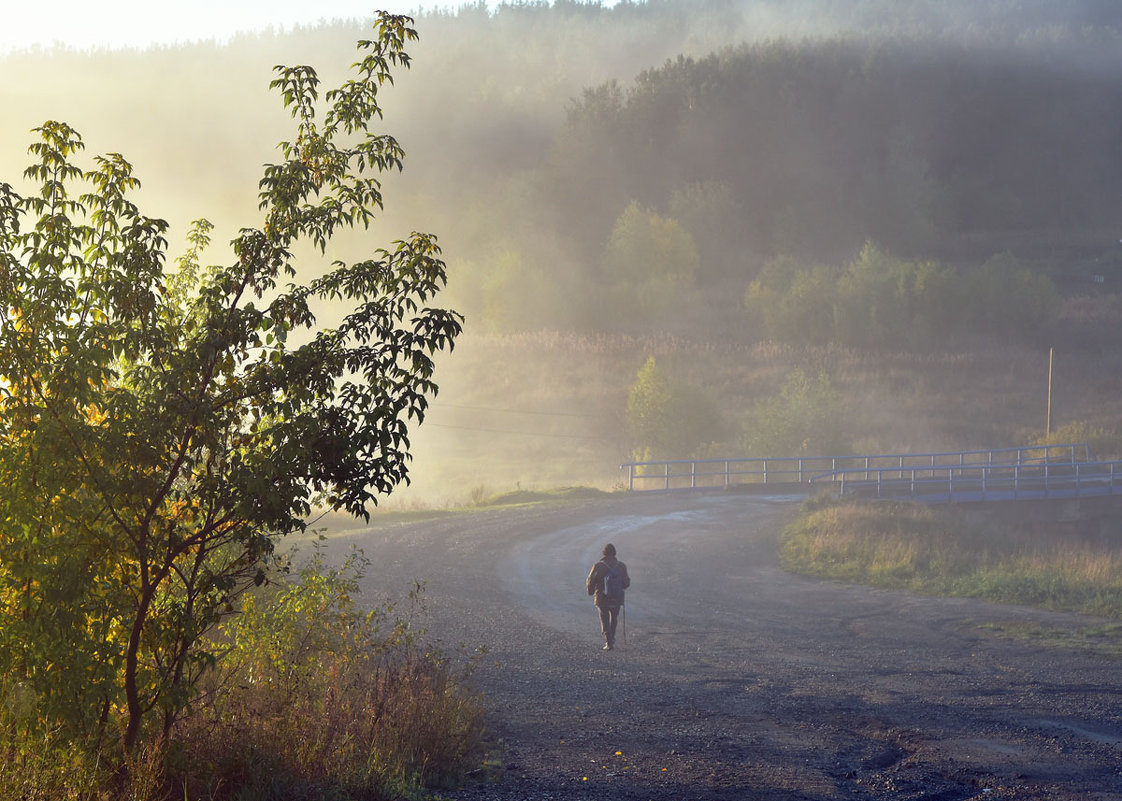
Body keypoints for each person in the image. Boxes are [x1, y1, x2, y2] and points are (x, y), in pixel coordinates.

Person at [586, 542, 630, 650]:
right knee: (614, 618)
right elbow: (626, 583)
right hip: (617, 598)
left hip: (602, 598)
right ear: (614, 553)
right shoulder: (621, 566)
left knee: (604, 619)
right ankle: (612, 637)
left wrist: (590, 592)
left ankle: (608, 641)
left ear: (604, 553)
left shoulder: (598, 566)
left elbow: (590, 581)